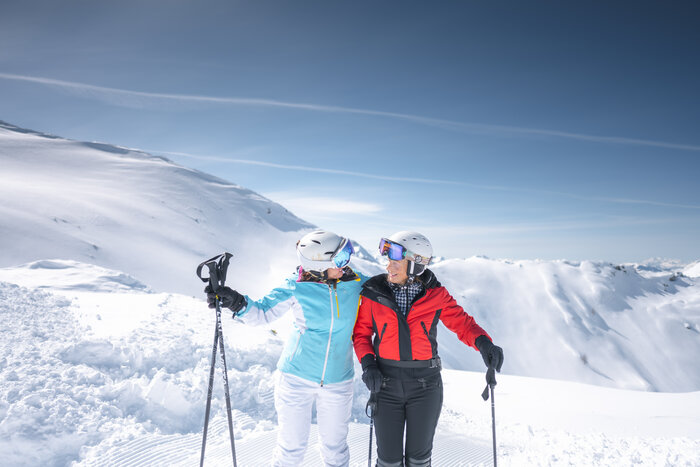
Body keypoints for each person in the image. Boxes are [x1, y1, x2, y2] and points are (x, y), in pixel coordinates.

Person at [205, 230, 368, 467]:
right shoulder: (296, 287)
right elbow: (261, 313)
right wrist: (236, 302)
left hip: (338, 381)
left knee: (336, 450)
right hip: (295, 380)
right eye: (340, 260)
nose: (346, 265)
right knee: (291, 450)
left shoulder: (355, 284)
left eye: (347, 257)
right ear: (318, 263)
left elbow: (387, 291)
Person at [352, 231, 504, 467]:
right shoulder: (374, 294)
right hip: (385, 384)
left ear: (415, 265)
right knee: (388, 461)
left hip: (425, 387)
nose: (388, 266)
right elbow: (361, 334)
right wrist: (368, 364)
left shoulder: (436, 295)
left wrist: (484, 343)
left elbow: (463, 324)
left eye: (395, 261)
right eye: (389, 260)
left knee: (419, 460)